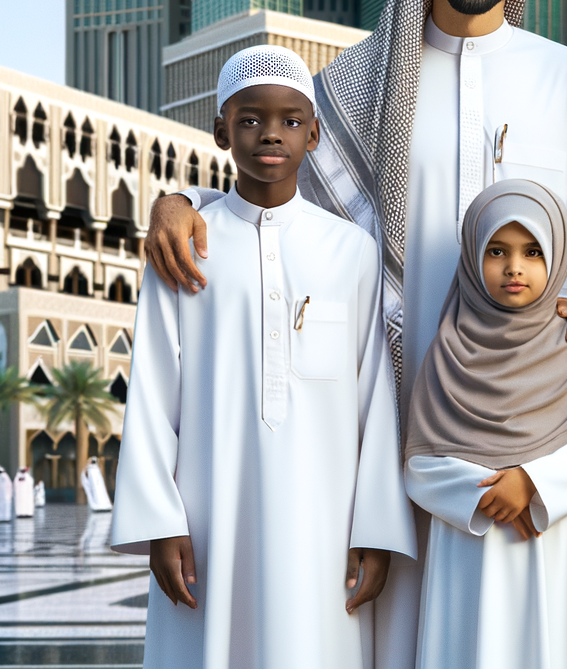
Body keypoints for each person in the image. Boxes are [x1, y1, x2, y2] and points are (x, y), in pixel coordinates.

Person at [142, 0, 567, 669]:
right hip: (390, 398)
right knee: (389, 629)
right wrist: (180, 197)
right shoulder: (358, 85)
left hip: (526, 413)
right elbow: (273, 195)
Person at [111, 45, 416, 669]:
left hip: (323, 520)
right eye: (249, 119)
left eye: (290, 120)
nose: (270, 134)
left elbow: (373, 400)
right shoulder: (187, 244)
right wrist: (158, 520)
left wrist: (376, 529)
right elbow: (150, 389)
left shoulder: (352, 250)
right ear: (221, 131)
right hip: (207, 515)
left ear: (315, 134)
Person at [405, 181, 567, 669]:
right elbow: (420, 461)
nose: (514, 267)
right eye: (496, 251)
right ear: (471, 257)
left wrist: (532, 482)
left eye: (532, 251)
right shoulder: (448, 351)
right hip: (470, 540)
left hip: (551, 538)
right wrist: (483, 493)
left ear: (555, 258)